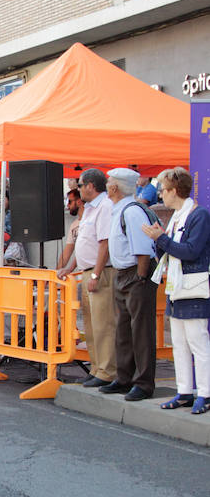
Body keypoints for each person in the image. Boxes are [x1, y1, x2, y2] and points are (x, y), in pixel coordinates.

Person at [142, 168, 210, 414]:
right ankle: (184, 391)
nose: (160, 193)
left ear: (174, 190)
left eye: (163, 189)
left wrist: (161, 239)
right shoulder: (179, 215)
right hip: (178, 287)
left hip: (194, 288)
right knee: (180, 343)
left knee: (198, 342)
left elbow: (191, 250)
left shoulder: (198, 215)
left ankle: (205, 393)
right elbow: (170, 253)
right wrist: (158, 240)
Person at [99, 168, 158, 401]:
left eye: (109, 182)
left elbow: (143, 250)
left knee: (141, 331)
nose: (107, 186)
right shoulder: (120, 209)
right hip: (124, 273)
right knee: (123, 329)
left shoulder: (131, 212)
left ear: (115, 188)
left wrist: (141, 279)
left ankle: (143, 383)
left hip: (135, 274)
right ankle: (124, 378)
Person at [58, 169, 116, 388]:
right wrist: (69, 267)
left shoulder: (105, 207)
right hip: (86, 270)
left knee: (103, 324)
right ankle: (96, 367)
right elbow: (83, 242)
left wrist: (95, 274)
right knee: (91, 325)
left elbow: (105, 244)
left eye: (80, 185)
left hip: (99, 271)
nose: (78, 188)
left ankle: (107, 370)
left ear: (91, 185)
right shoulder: (89, 209)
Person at [58, 189, 83, 270]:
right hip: (83, 270)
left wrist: (70, 268)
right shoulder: (74, 225)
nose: (68, 206)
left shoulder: (90, 220)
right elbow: (66, 253)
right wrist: (55, 273)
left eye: (69, 201)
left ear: (79, 201)